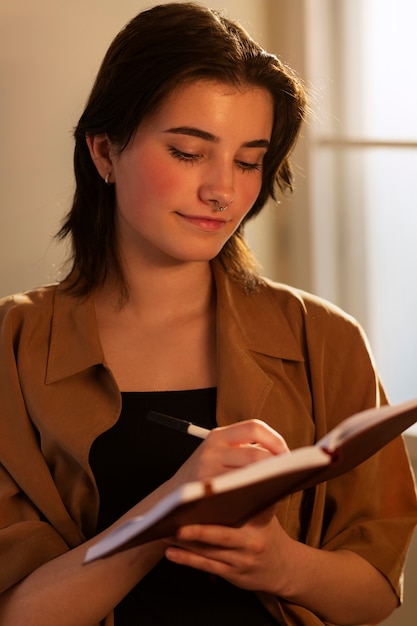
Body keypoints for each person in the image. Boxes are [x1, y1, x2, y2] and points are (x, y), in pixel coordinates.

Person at [0, 3, 416, 625]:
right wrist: (174, 506)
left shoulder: (323, 337)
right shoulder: (11, 344)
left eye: (249, 161)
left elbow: (377, 593)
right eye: (191, 152)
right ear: (105, 151)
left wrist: (282, 564)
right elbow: (20, 614)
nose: (223, 190)